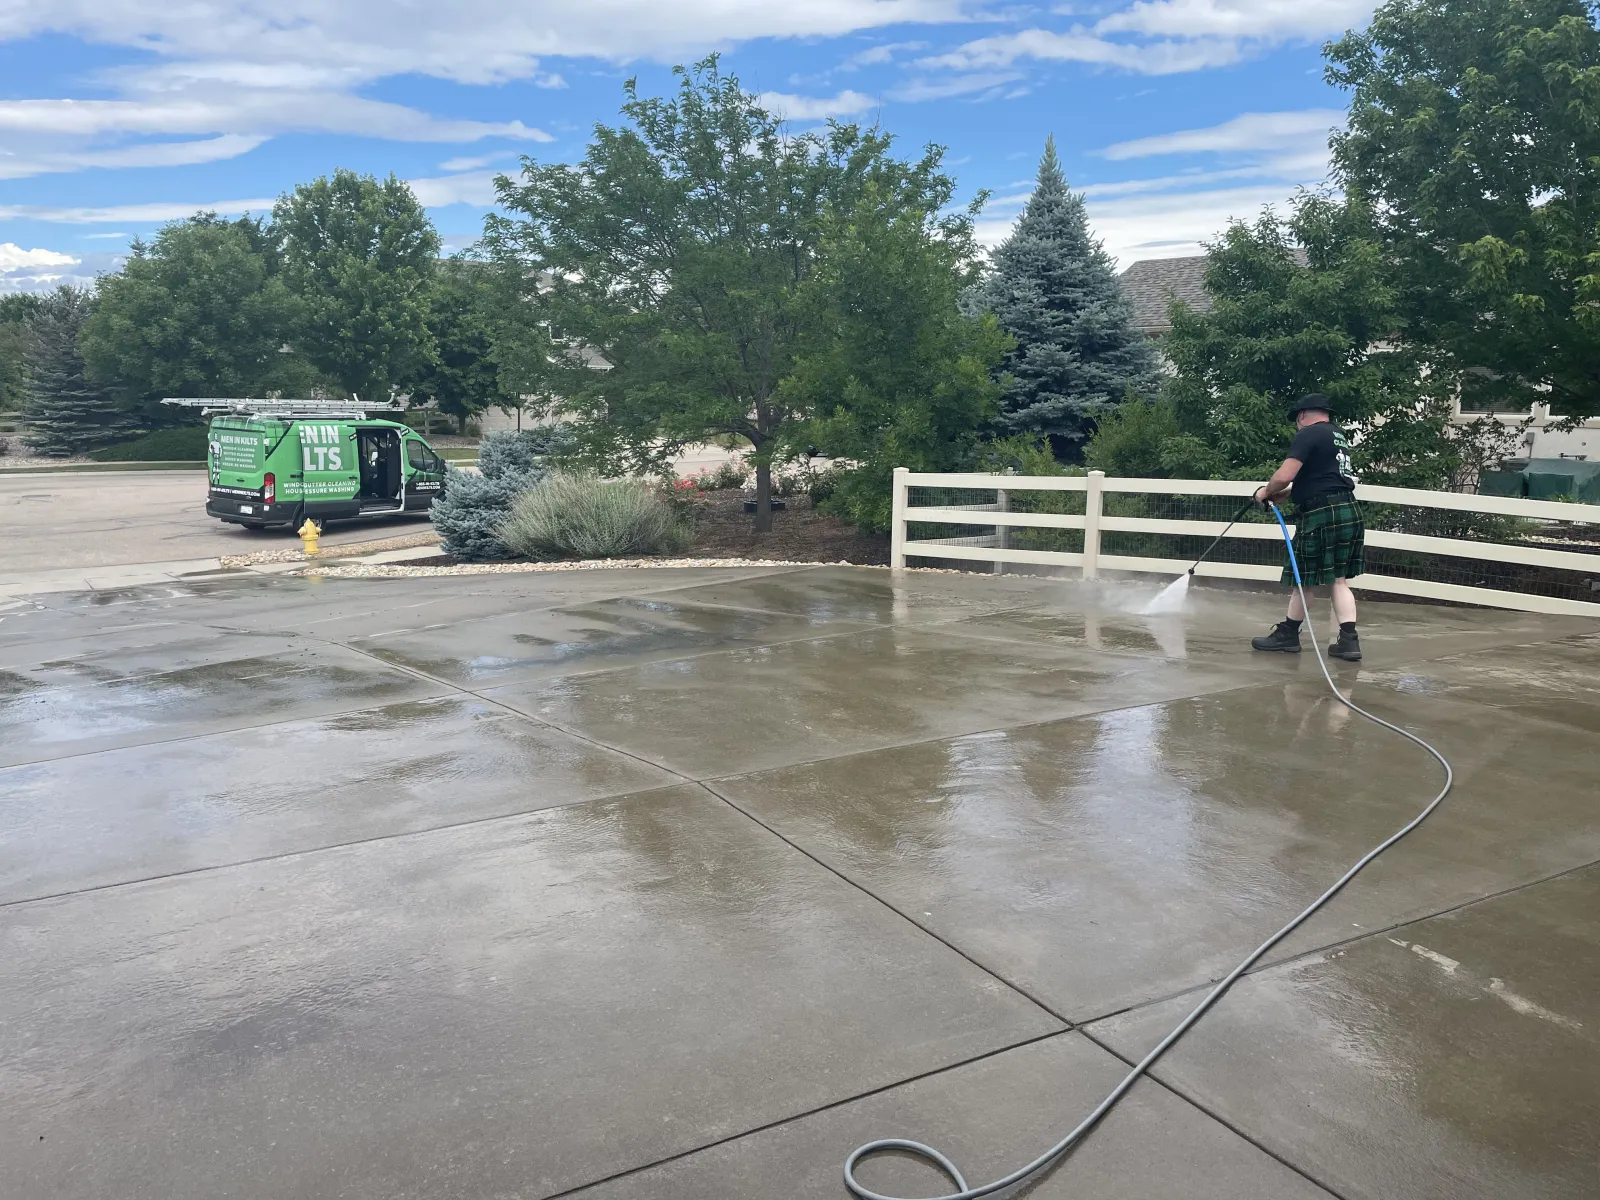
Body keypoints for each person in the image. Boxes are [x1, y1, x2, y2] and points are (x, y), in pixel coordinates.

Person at [1249, 394, 1365, 661]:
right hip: (1348, 510)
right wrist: (1291, 493)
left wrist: (1265, 491)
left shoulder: (1308, 434)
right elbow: (1326, 477)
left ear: (1302, 415)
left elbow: (1285, 474)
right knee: (1338, 580)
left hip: (1321, 514)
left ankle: (1288, 635)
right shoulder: (1338, 435)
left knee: (1305, 579)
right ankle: (1349, 642)